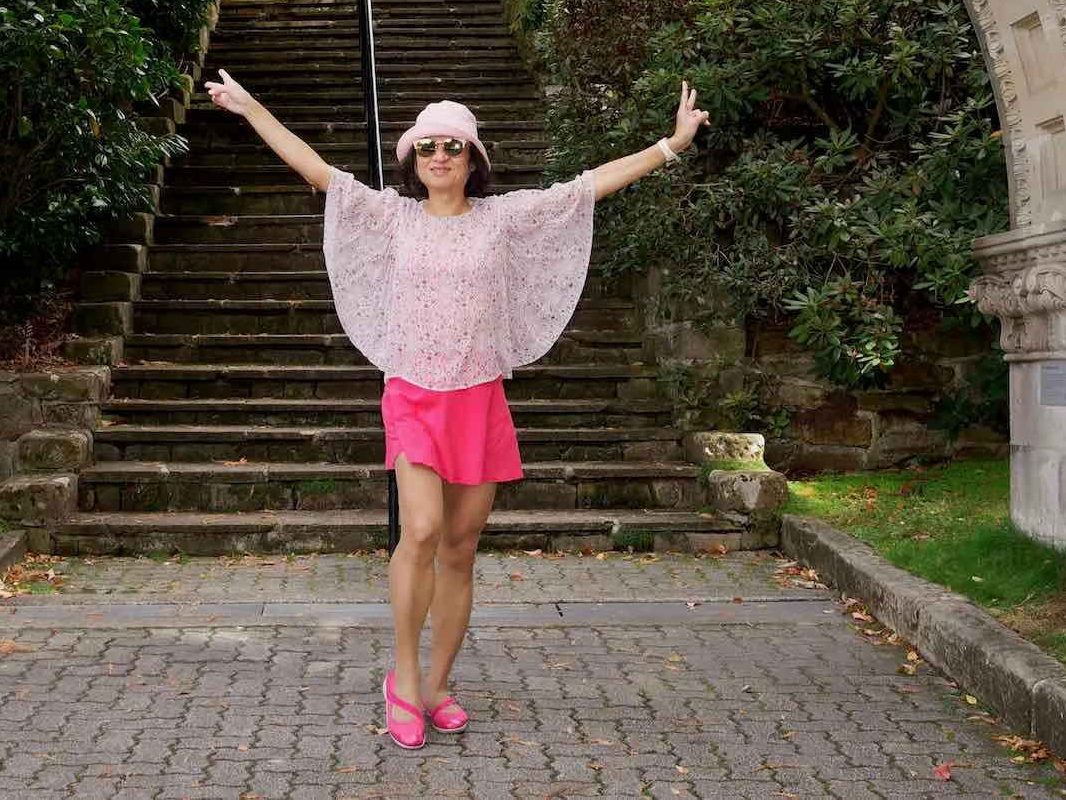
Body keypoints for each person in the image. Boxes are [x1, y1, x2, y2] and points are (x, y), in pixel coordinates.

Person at [202, 70, 711, 752]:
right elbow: (316, 168)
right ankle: (404, 679)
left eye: (453, 146)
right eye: (428, 146)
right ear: (413, 159)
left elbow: (587, 186)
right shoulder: (393, 216)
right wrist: (251, 106)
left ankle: (439, 684)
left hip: (479, 394)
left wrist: (671, 145)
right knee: (419, 529)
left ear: (473, 159)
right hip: (413, 391)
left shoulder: (502, 218)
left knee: (461, 550)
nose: (439, 156)